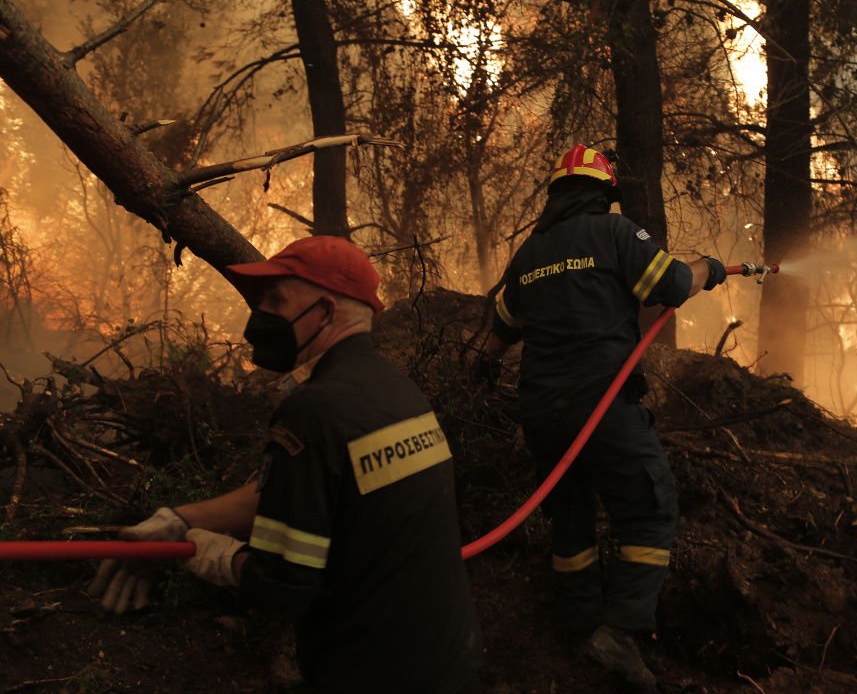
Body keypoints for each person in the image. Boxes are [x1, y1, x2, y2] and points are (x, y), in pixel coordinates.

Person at [88, 235, 482, 694]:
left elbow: (283, 587)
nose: (261, 316)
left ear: (327, 312)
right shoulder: (394, 391)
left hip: (376, 674)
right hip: (448, 658)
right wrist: (178, 521)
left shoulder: (315, 411)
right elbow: (292, 492)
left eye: (277, 300)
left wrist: (211, 556)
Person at [476, 145, 727, 689]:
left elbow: (503, 324)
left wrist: (482, 367)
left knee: (569, 519)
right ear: (602, 194)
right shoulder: (617, 235)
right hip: (604, 407)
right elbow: (674, 286)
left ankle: (581, 630)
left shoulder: (529, 252)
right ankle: (621, 630)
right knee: (649, 510)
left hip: (541, 413)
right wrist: (709, 266)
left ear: (556, 195)